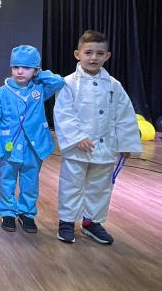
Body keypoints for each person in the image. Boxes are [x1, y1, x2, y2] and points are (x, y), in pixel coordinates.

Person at [53, 29, 141, 244]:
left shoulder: (114, 85)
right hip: (77, 149)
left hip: (105, 149)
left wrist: (126, 143)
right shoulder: (68, 83)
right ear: (78, 54)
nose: (93, 58)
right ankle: (66, 221)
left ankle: (92, 222)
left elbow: (125, 115)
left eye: (99, 53)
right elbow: (63, 113)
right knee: (71, 185)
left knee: (100, 187)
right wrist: (76, 137)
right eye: (88, 52)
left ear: (107, 56)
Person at [0, 45, 64, 234]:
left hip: (33, 147)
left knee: (30, 182)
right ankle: (8, 212)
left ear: (35, 70)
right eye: (16, 67)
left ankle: (27, 213)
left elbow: (58, 81)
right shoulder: (1, 92)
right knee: (7, 181)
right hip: (9, 148)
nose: (20, 71)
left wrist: (39, 74)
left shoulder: (39, 88)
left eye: (26, 67)